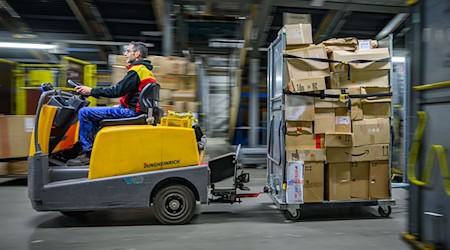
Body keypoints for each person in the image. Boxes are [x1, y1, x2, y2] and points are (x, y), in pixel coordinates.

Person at [67, 41, 156, 166]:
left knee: (84, 112)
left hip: (131, 112)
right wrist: (121, 105)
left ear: (137, 54)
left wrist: (91, 91)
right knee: (96, 113)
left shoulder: (136, 70)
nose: (125, 54)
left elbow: (116, 90)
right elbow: (133, 94)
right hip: (134, 110)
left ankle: (87, 153)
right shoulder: (145, 70)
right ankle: (94, 148)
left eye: (128, 51)